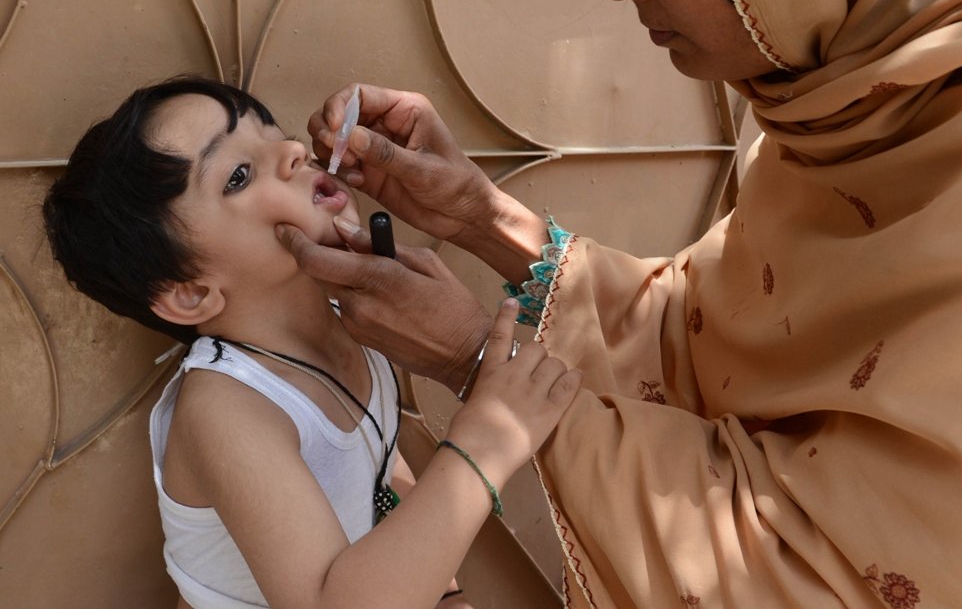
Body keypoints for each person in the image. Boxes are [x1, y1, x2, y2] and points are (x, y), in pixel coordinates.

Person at [275, 0, 962, 606]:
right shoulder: (847, 114)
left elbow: (824, 574)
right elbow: (703, 330)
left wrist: (477, 366)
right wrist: (481, 216)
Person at [41, 76, 582, 609]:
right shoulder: (226, 410)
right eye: (238, 176)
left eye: (271, 130)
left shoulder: (357, 321)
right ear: (189, 293)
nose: (295, 151)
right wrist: (481, 449)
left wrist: (446, 592)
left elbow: (379, 465)